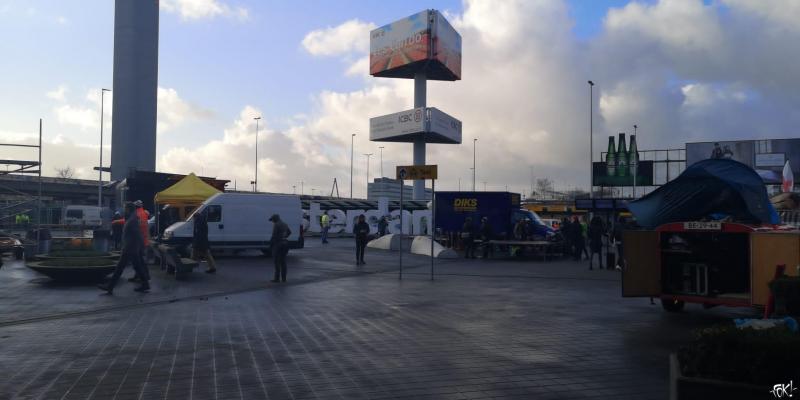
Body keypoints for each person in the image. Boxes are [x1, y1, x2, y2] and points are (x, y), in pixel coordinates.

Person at [98, 203, 150, 294]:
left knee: (120, 267)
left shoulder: (133, 220)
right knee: (137, 267)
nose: (124, 210)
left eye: (125, 208)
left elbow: (137, 234)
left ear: (129, 209)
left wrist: (141, 246)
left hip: (130, 248)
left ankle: (110, 287)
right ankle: (145, 284)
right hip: (131, 247)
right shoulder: (131, 218)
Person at [192, 210, 216, 274]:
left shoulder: (198, 223)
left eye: (193, 218)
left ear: (195, 217)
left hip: (200, 242)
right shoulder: (202, 221)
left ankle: (189, 267)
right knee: (207, 255)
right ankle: (212, 267)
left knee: (194, 255)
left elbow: (198, 234)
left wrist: (195, 243)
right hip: (203, 242)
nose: (193, 220)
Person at [269, 214, 291, 283]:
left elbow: (274, 236)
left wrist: (270, 245)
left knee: (276, 262)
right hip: (285, 244)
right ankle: (284, 278)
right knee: (283, 261)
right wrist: (284, 237)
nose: (272, 221)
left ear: (275, 219)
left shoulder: (276, 225)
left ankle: (277, 278)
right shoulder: (285, 224)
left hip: (278, 244)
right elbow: (289, 232)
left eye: (272, 220)